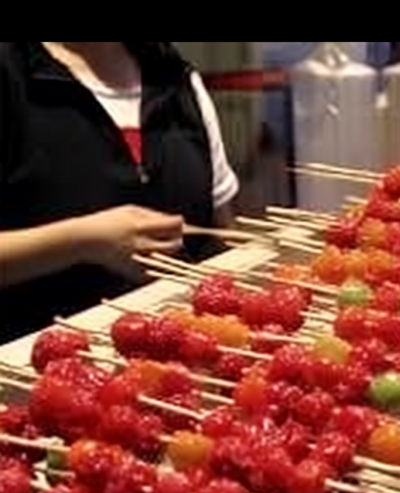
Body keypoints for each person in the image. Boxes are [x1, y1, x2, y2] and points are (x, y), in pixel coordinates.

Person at [0, 42, 240, 344]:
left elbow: (222, 237)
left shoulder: (176, 77)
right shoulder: (12, 73)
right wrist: (80, 240)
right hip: (40, 372)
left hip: (183, 367)